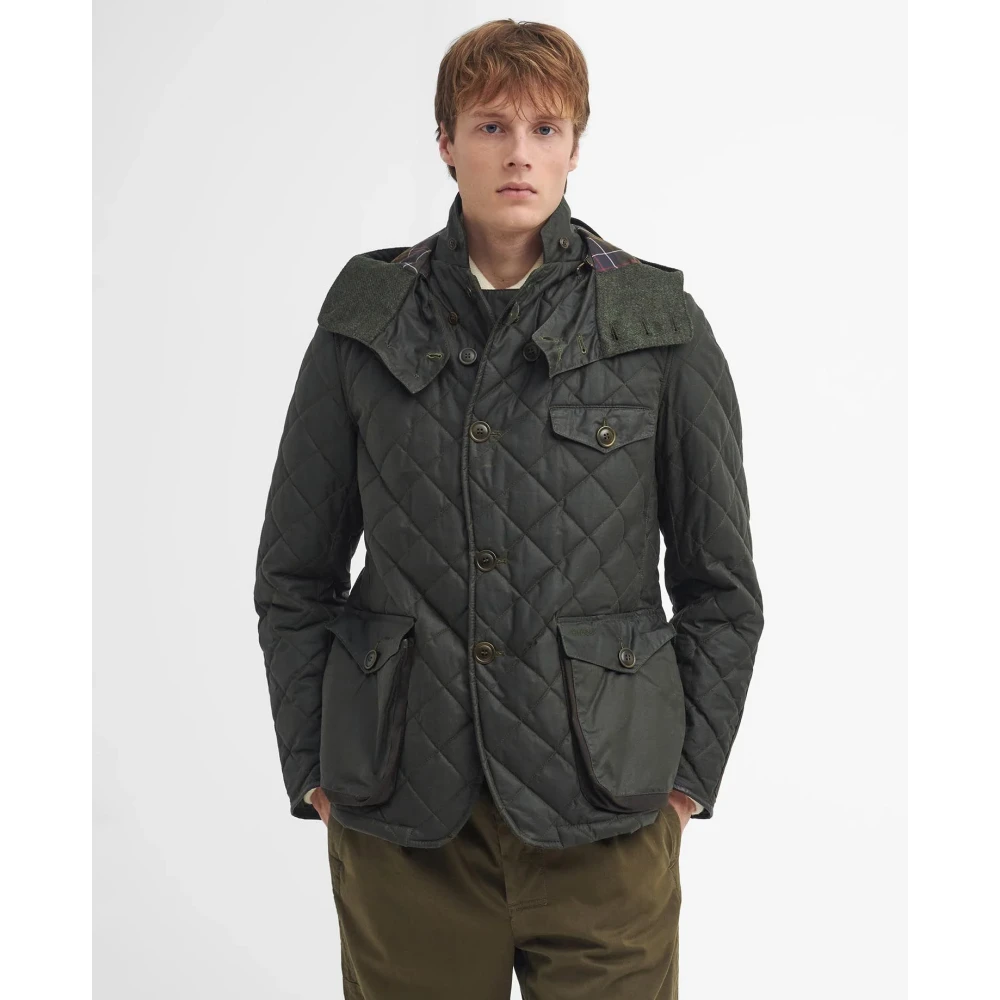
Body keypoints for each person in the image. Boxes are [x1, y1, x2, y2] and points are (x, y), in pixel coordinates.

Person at [253, 18, 764, 1000]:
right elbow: (294, 574)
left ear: (576, 145)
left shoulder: (655, 325)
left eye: (544, 128)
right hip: (401, 811)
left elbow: (720, 587)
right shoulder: (365, 321)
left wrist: (684, 783)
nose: (518, 153)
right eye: (491, 126)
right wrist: (315, 767)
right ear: (446, 142)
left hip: (607, 810)